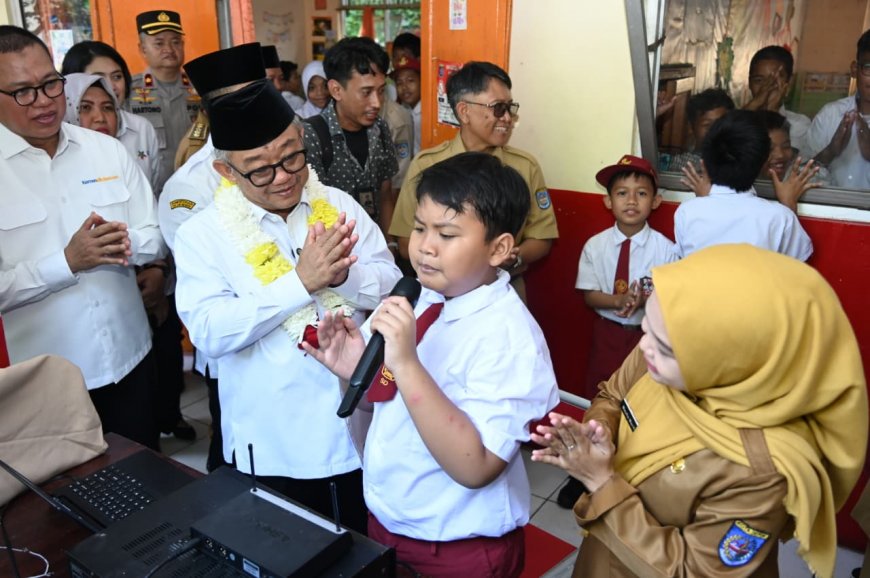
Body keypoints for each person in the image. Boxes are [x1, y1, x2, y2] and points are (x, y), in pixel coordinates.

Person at [531, 244, 868, 578]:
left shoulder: (763, 469)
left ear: (731, 361)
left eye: (664, 347)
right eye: (646, 328)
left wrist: (601, 482)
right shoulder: (664, 345)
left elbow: (695, 571)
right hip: (604, 553)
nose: (644, 346)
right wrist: (599, 430)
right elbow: (613, 395)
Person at [304, 152, 559, 577]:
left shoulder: (510, 338)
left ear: (498, 248)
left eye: (447, 233)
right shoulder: (417, 297)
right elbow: (379, 406)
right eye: (421, 227)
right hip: (389, 520)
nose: (425, 245)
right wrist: (354, 373)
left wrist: (406, 363)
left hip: (456, 546)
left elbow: (476, 466)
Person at [173, 76, 402, 533]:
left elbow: (392, 284)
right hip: (273, 444)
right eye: (260, 169)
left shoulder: (337, 205)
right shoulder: (201, 235)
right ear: (226, 172)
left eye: (292, 157)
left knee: (361, 548)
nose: (282, 177)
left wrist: (345, 277)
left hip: (359, 431)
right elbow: (210, 331)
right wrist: (300, 283)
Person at [0, 26, 165, 449]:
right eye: (23, 91)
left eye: (50, 84)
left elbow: (155, 235)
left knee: (145, 477)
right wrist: (67, 262)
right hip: (45, 385)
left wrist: (122, 244)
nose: (44, 101)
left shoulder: (106, 151)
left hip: (130, 360)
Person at [160, 42, 270, 471]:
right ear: (211, 111)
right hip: (236, 339)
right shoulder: (189, 187)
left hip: (300, 339)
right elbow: (205, 277)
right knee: (234, 448)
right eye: (243, 100)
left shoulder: (288, 160)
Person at [390, 61, 558, 301]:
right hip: (440, 293)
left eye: (510, 108)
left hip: (502, 291)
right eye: (498, 108)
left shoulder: (524, 167)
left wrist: (511, 257)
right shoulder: (427, 165)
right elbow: (406, 238)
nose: (507, 118)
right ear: (464, 111)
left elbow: (542, 236)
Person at [674, 110, 813, 261]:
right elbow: (795, 265)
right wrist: (789, 205)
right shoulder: (780, 217)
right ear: (762, 160)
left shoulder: (686, 212)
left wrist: (705, 201)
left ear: (707, 158)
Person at [303, 37, 399, 236]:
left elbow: (385, 193)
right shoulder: (312, 136)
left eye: (381, 91)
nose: (377, 103)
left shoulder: (380, 128)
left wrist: (389, 244)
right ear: (336, 90)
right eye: (366, 92)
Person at [61, 40, 163, 193]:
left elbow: (153, 189)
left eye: (117, 77)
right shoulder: (58, 140)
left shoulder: (142, 127)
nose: (111, 85)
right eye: (97, 77)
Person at [129, 10, 200, 191]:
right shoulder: (129, 91)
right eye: (159, 43)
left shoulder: (200, 88)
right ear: (142, 49)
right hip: (150, 189)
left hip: (197, 185)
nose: (168, 49)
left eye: (175, 42)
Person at [806, 28, 870, 189]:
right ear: (854, 69)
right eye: (869, 67)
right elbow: (798, 177)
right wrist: (830, 152)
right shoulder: (830, 115)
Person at [743, 45, 811, 155]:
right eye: (759, 80)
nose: (766, 88)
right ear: (749, 83)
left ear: (789, 84)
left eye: (774, 82)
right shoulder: (733, 119)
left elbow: (775, 158)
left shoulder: (799, 125)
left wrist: (771, 113)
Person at [667, 87, 734, 175]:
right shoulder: (681, 164)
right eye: (707, 125)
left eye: (721, 124)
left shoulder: (736, 162)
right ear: (691, 127)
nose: (715, 130)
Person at [394, 54, 422, 155]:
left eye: (410, 81)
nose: (404, 87)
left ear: (422, 81)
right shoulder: (402, 110)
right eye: (399, 83)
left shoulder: (428, 115)